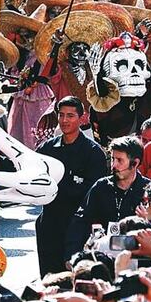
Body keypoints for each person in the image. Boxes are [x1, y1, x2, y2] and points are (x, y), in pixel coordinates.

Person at [34, 97, 107, 275]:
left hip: (78, 224)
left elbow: (95, 192)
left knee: (77, 276)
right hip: (49, 222)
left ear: (82, 119)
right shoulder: (48, 148)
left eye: (71, 116)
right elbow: (29, 169)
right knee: (49, 277)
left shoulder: (93, 152)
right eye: (61, 115)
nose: (65, 120)